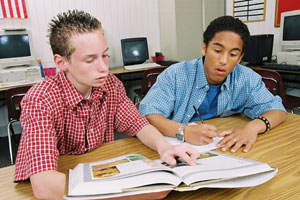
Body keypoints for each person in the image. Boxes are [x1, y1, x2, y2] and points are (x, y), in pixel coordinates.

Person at [14, 10, 199, 200]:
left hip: (95, 168)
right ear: (61, 62)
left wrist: (164, 147)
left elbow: (138, 124)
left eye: (105, 55)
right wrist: (130, 193)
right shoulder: (39, 100)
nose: (104, 67)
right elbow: (44, 186)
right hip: (59, 183)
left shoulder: (110, 84)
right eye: (90, 59)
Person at [139, 16, 287, 154]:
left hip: (219, 150)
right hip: (171, 150)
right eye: (217, 51)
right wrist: (184, 131)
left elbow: (277, 110)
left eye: (233, 54)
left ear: (240, 57)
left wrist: (252, 128)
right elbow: (147, 115)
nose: (223, 60)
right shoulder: (176, 75)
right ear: (204, 48)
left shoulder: (246, 78)